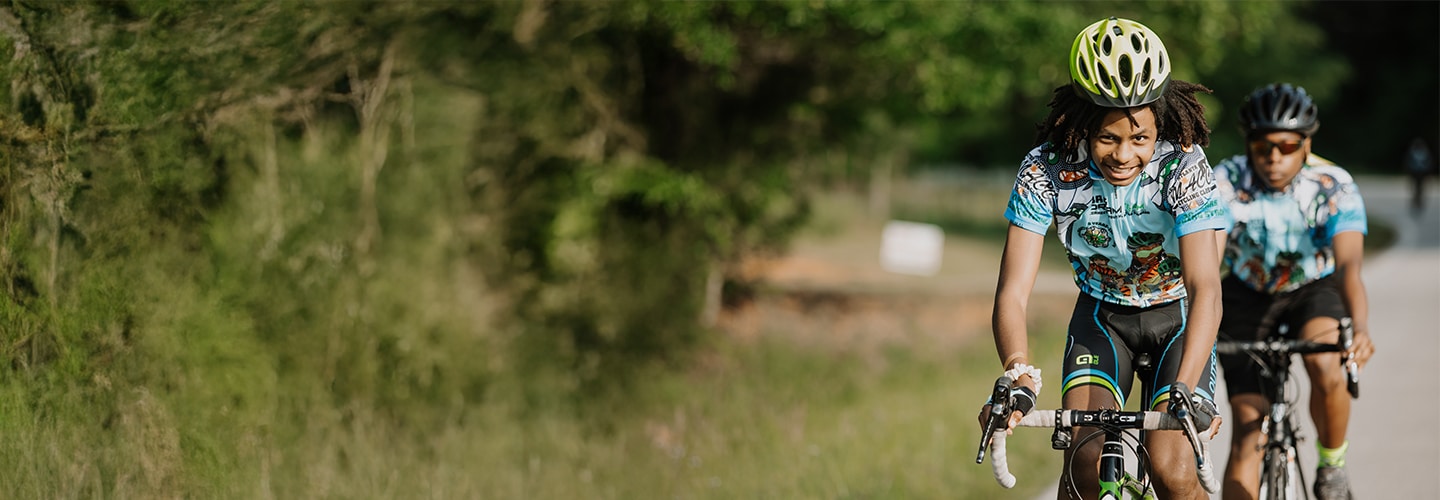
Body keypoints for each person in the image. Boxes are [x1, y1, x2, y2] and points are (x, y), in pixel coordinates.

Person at [978, 17, 1226, 500]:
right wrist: (1017, 370)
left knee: (1173, 470)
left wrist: (1187, 389)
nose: (1123, 155)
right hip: (1102, 316)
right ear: (1082, 124)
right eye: (1107, 138)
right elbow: (1012, 291)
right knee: (1084, 463)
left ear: (1160, 123)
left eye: (1140, 138)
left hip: (1175, 314)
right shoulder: (1045, 167)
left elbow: (1206, 290)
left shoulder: (1183, 164)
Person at [1212, 83, 1376, 500]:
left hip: (1311, 287)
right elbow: (1207, 259)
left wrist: (1359, 328)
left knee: (1325, 367)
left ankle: (1332, 464)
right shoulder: (1227, 179)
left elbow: (1349, 267)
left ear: (1306, 143)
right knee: (1248, 429)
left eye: (1288, 146)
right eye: (1263, 146)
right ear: (1249, 144)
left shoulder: (1331, 184)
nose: (1274, 158)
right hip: (1247, 292)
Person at [1406, 137, 1432, 215]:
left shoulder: (1421, 153)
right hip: (1417, 174)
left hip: (1420, 174)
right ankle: (1416, 203)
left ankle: (1418, 203)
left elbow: (1428, 164)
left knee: (1419, 189)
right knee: (1417, 189)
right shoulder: (1421, 153)